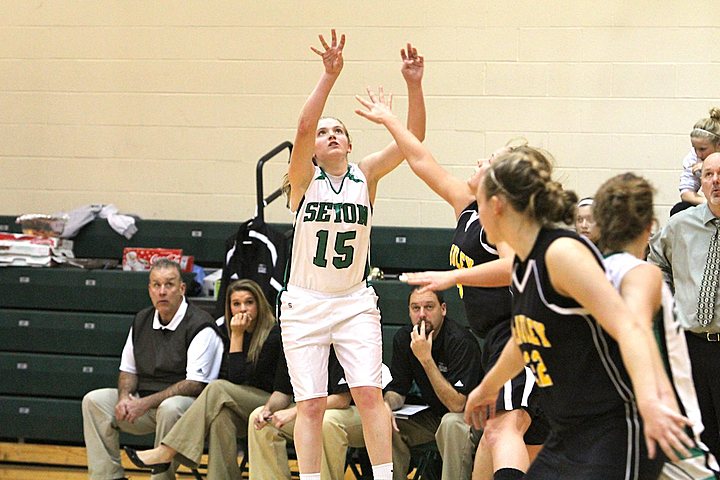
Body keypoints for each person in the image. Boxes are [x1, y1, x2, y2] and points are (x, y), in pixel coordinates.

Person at [464, 146, 693, 479]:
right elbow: (525, 336)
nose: (477, 213)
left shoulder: (561, 253)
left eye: (479, 203)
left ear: (496, 206)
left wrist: (648, 399)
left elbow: (629, 325)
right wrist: (487, 388)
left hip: (614, 430)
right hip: (568, 434)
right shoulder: (528, 262)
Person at [355, 88, 545, 480]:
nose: (478, 161)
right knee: (502, 450)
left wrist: (453, 276)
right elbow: (421, 160)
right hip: (502, 338)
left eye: (487, 160)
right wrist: (390, 117)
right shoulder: (470, 208)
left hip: (517, 334)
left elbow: (513, 266)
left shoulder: (504, 218)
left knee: (501, 429)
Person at [281, 28, 425, 480]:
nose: (329, 135)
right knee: (310, 404)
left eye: (338, 130)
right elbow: (304, 126)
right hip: (305, 302)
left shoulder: (366, 176)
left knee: (368, 394)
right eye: (324, 132)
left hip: (353, 300)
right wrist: (328, 76)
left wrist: (413, 85)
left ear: (348, 143)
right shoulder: (302, 181)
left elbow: (413, 140)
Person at [595, 172, 718, 479]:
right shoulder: (649, 267)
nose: (716, 181)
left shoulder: (579, 268)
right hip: (684, 359)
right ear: (650, 226)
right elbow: (635, 326)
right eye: (709, 174)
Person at [123, 278, 282, 479]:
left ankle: (168, 450)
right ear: (229, 307)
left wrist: (237, 337)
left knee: (218, 388)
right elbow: (233, 379)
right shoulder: (225, 331)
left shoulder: (273, 333)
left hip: (271, 404)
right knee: (221, 419)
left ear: (259, 304)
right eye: (236, 304)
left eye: (249, 302)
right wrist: (236, 335)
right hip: (241, 409)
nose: (243, 309)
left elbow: (239, 379)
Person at [82, 258, 225, 480]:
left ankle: (161, 479)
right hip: (145, 404)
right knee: (94, 401)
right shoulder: (141, 320)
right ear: (149, 289)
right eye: (156, 285)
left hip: (190, 410)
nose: (162, 291)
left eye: (169, 284)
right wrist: (124, 398)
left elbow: (194, 384)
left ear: (182, 288)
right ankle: (108, 476)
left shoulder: (201, 325)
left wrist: (143, 404)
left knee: (170, 407)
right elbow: (128, 370)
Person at [649, 151, 720, 460]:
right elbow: (656, 266)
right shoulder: (680, 225)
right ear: (700, 182)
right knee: (700, 438)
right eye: (709, 175)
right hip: (692, 348)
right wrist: (667, 304)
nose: (716, 181)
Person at [382, 286, 482, 480]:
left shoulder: (460, 341)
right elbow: (398, 390)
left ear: (443, 309)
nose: (422, 315)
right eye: (415, 308)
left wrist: (426, 359)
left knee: (451, 424)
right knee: (387, 424)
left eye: (429, 307)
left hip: (472, 419)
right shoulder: (404, 338)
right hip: (433, 416)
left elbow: (457, 405)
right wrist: (386, 406)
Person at [248, 348, 364, 480]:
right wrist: (267, 409)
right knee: (260, 418)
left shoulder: (334, 339)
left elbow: (342, 399)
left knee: (326, 421)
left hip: (355, 412)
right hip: (309, 411)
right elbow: (283, 392)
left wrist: (295, 412)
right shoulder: (292, 342)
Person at [672, 107, 720, 216]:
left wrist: (706, 168)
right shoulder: (693, 157)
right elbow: (686, 192)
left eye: (703, 149)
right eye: (695, 148)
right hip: (710, 203)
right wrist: (707, 204)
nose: (698, 154)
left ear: (718, 145)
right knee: (679, 209)